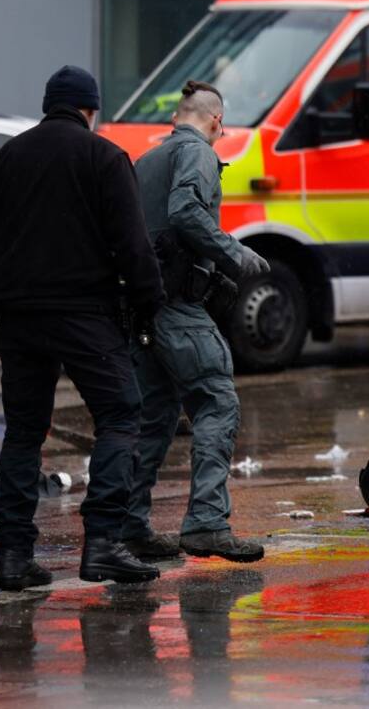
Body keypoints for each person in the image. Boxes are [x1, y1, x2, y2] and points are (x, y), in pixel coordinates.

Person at [0, 65, 165, 591]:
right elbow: (133, 246)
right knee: (120, 413)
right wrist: (149, 306)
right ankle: (105, 544)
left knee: (24, 432)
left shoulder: (7, 158)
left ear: (49, 105)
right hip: (84, 313)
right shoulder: (104, 157)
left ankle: (13, 557)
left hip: (20, 318)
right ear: (91, 110)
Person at [123, 80, 269, 562]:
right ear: (214, 121)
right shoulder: (200, 154)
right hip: (178, 308)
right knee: (216, 402)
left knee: (156, 416)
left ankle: (131, 526)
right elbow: (185, 211)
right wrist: (235, 255)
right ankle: (206, 522)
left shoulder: (146, 163)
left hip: (142, 310)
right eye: (220, 126)